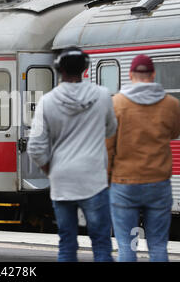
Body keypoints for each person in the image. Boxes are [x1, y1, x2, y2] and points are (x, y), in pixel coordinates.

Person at [27, 46, 117, 262]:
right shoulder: (102, 96)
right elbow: (111, 129)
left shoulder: (47, 101)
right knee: (101, 243)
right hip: (94, 179)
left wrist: (51, 170)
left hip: (62, 180)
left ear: (59, 70)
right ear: (85, 68)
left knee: (67, 243)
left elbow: (35, 147)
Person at [107, 54, 180, 262]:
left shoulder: (116, 104)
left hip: (124, 185)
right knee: (158, 245)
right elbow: (174, 133)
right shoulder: (171, 104)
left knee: (126, 245)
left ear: (130, 75)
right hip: (158, 183)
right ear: (153, 74)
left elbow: (108, 146)